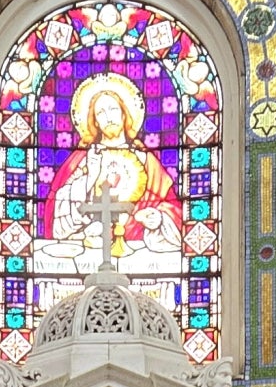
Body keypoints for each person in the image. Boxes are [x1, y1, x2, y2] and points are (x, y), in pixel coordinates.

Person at [40, 73, 183, 277]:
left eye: (113, 109)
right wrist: (88, 180)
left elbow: (173, 207)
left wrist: (159, 218)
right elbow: (56, 211)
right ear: (94, 122)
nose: (108, 116)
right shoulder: (83, 159)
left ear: (125, 114)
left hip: (137, 253)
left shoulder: (145, 160)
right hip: (88, 252)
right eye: (101, 112)